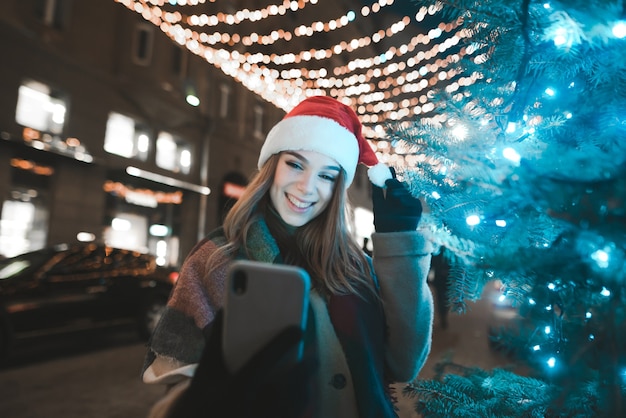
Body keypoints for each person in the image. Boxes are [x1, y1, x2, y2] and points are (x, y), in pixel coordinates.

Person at [141, 95, 435, 418]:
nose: (307, 187)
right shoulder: (214, 260)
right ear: (272, 166)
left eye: (327, 176)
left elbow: (403, 363)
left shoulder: (356, 266)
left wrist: (399, 244)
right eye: (295, 164)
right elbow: (173, 378)